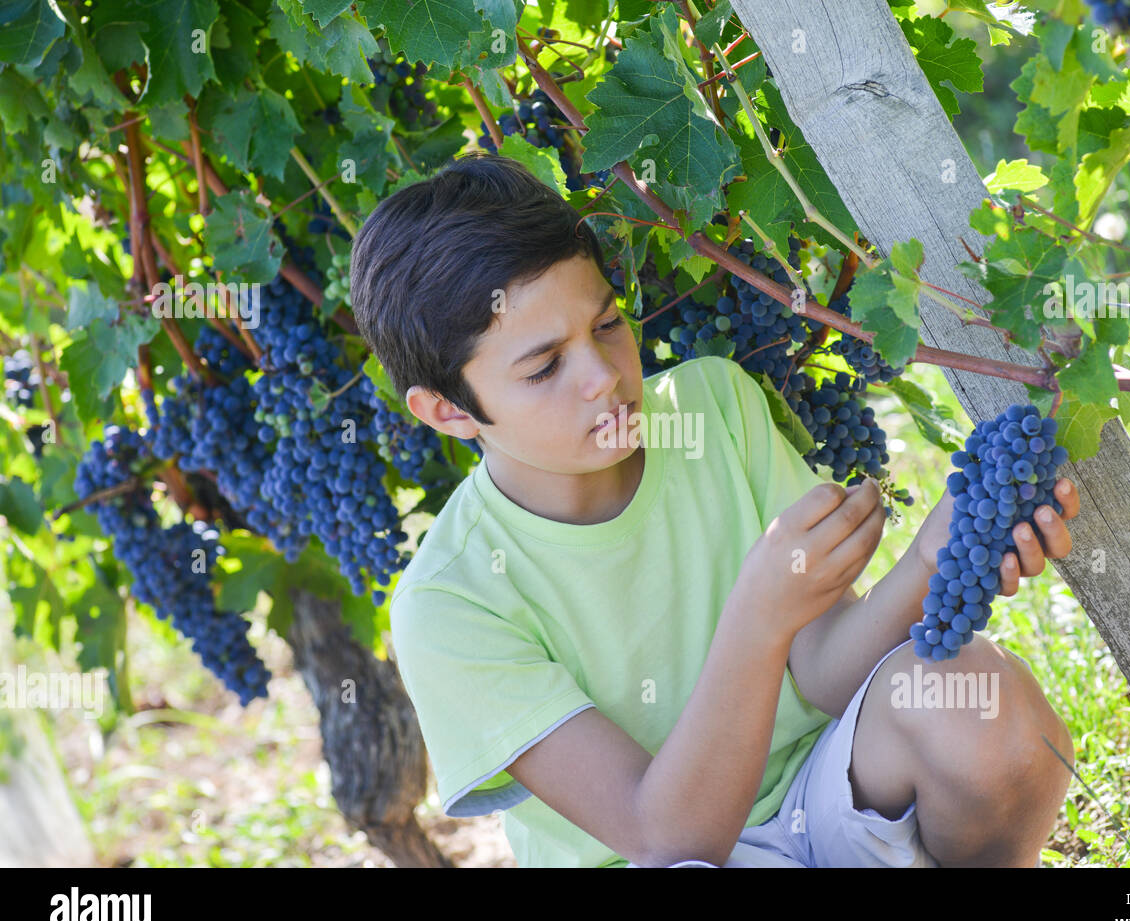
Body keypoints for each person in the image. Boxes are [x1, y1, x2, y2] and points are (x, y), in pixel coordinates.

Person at [349, 151, 1079, 868]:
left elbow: (825, 674)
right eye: (544, 367)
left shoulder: (711, 404)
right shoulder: (448, 602)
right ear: (447, 411)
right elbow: (665, 838)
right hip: (676, 853)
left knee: (980, 696)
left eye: (607, 325)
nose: (604, 377)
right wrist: (759, 617)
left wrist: (932, 555)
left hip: (824, 789)